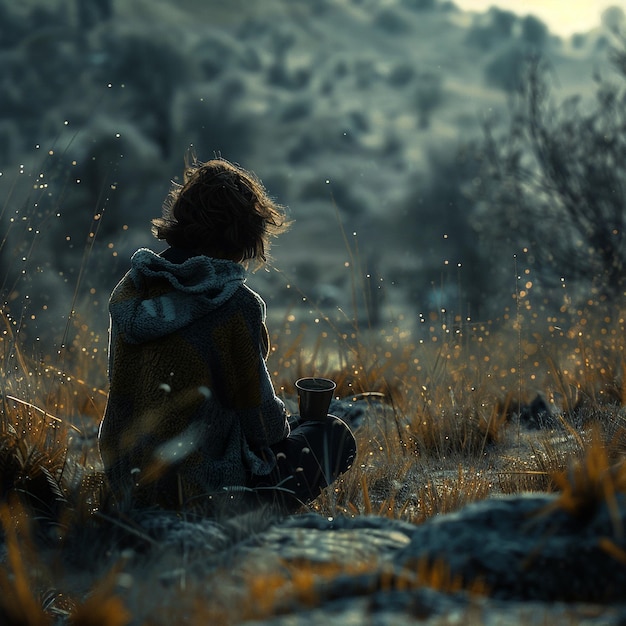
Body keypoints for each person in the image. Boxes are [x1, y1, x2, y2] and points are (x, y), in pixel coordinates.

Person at [98, 156, 356, 512]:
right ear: (245, 234)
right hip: (207, 493)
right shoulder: (234, 303)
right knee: (334, 435)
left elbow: (122, 384)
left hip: (129, 485)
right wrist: (293, 423)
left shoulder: (131, 289)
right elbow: (262, 425)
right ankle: (252, 525)